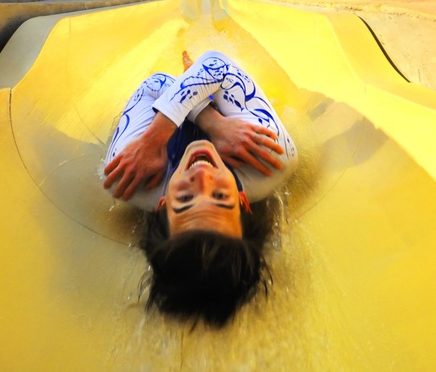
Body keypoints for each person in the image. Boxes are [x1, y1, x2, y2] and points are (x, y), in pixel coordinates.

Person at [103, 50, 298, 326]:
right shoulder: (271, 156)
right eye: (220, 197)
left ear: (162, 205)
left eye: (184, 198)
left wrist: (155, 135)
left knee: (197, 81)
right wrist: (214, 121)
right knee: (209, 79)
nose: (202, 177)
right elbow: (215, 62)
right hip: (230, 113)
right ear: (243, 201)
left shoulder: (127, 175)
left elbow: (155, 82)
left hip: (182, 108)